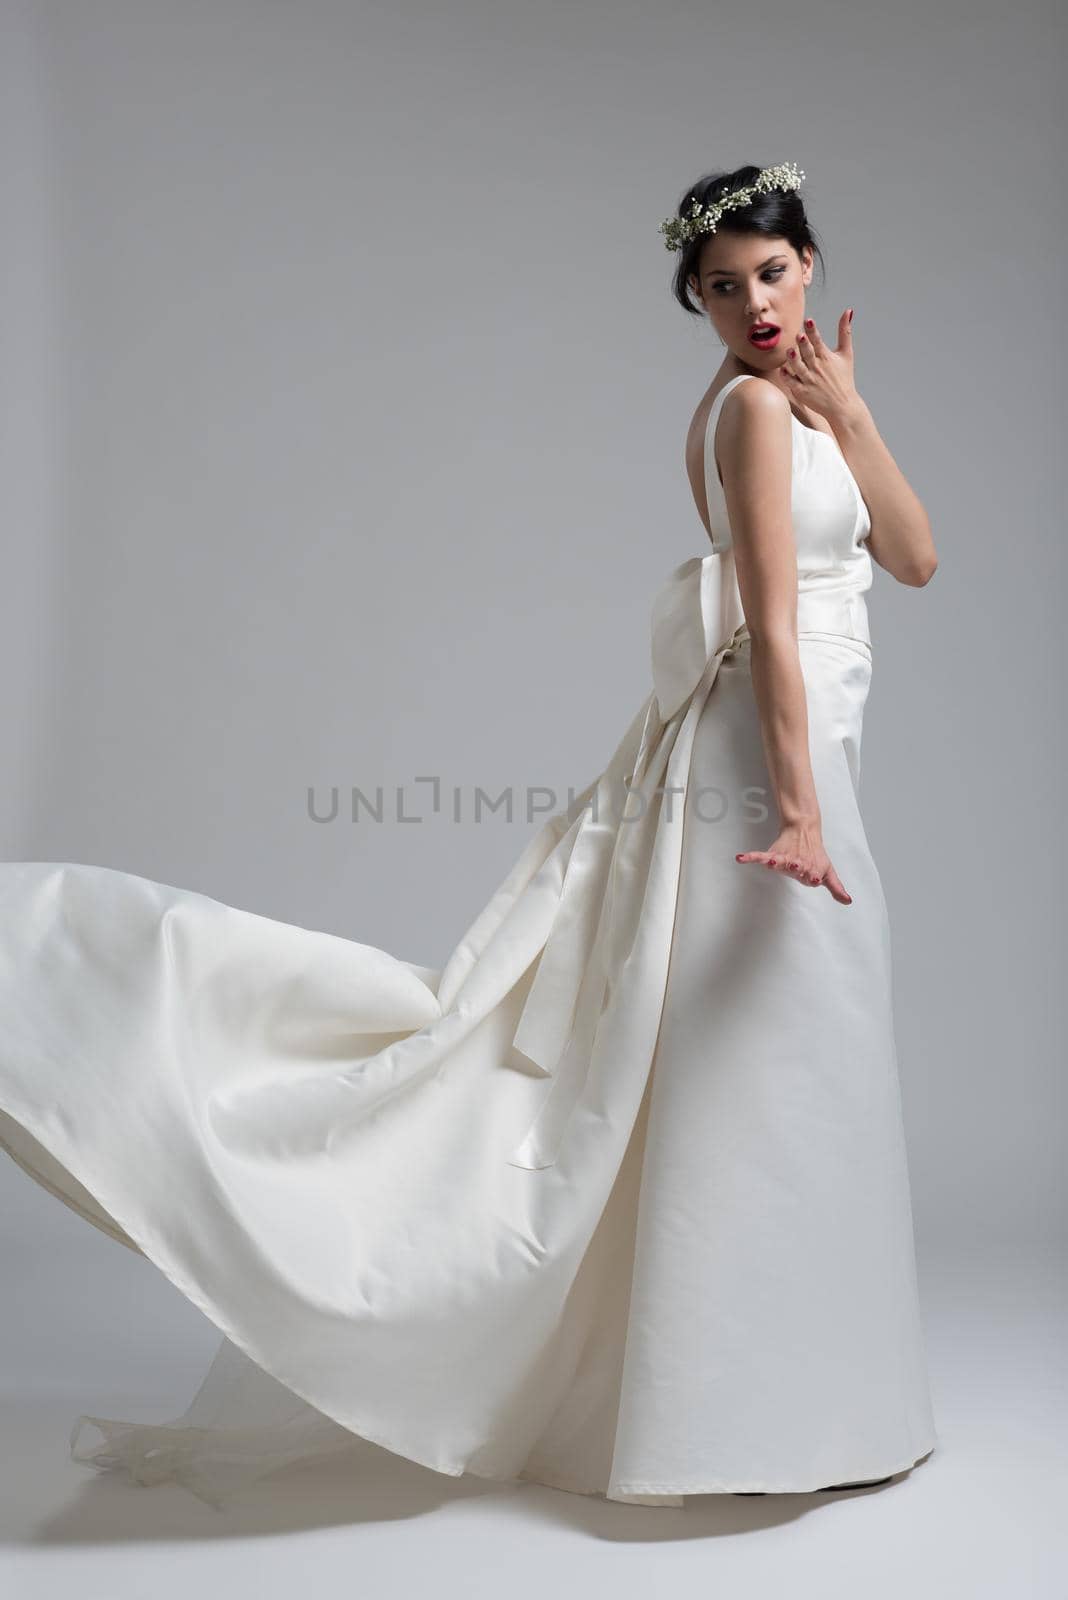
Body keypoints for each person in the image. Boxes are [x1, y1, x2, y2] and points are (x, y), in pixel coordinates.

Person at [0, 160, 939, 1511]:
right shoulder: (743, 414)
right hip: (762, 758)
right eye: (721, 286)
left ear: (810, 267)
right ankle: (741, 1423)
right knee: (767, 1063)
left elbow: (911, 558)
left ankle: (798, 1407)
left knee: (793, 1066)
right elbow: (776, 624)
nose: (753, 304)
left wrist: (855, 416)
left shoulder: (808, 403)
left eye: (772, 273)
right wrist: (796, 805)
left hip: (805, 750)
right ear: (697, 302)